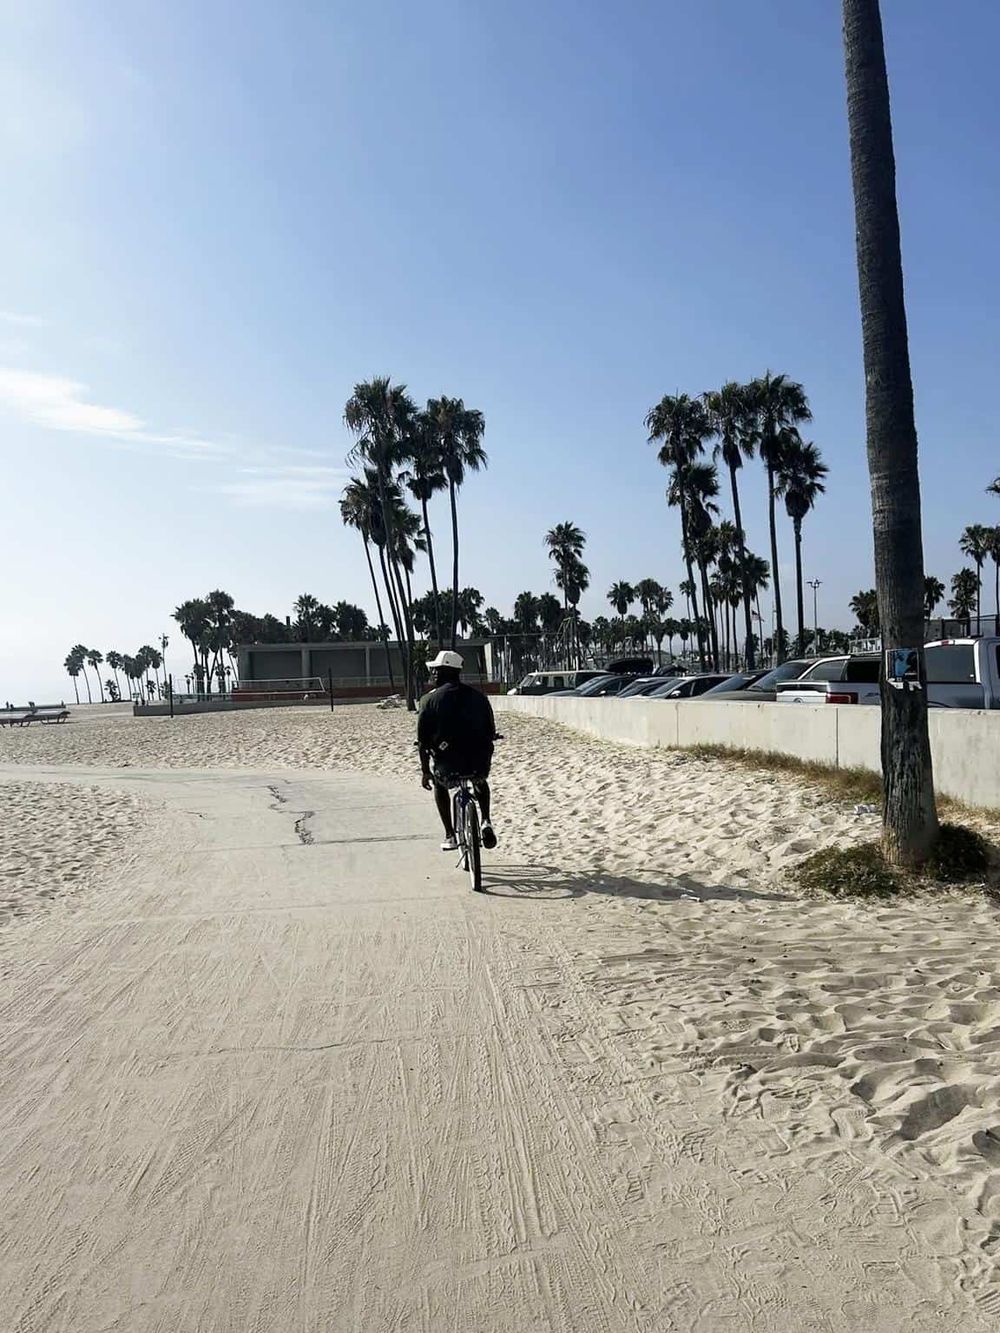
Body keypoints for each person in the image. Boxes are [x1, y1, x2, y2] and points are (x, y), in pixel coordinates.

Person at [417, 649, 498, 852]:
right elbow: (491, 729)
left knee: (440, 784)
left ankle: (450, 835)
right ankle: (486, 820)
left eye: (436, 670)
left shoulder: (429, 700)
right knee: (480, 780)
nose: (433, 674)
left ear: (444, 672)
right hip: (479, 761)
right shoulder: (479, 697)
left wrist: (425, 770)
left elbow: (423, 740)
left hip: (449, 764)